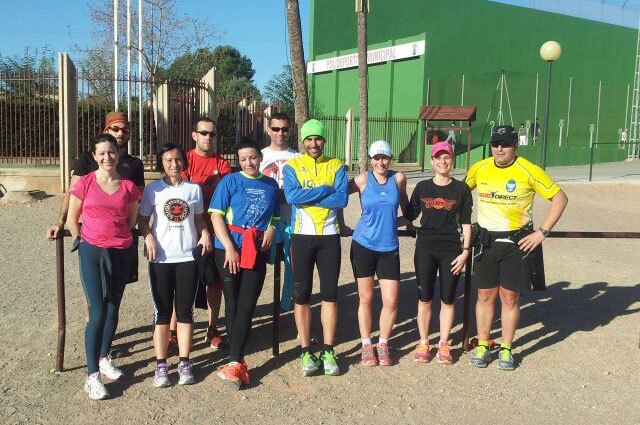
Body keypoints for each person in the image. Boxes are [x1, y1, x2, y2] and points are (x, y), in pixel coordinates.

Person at [465, 125, 568, 370]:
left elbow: (560, 198)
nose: (499, 148)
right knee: (484, 295)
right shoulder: (479, 168)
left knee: (510, 297)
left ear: (516, 145)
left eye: (506, 144)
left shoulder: (529, 170)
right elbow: (458, 194)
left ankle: (506, 349)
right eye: (495, 144)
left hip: (517, 243)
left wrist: (542, 232)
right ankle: (483, 345)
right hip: (486, 243)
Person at [46, 111, 145, 336]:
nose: (121, 133)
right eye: (115, 129)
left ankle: (107, 341)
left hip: (120, 240)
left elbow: (138, 202)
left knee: (114, 293)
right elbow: (72, 193)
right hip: (94, 238)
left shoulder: (134, 164)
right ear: (106, 130)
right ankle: (94, 330)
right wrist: (61, 222)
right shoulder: (88, 159)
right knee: (93, 293)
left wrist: (143, 231)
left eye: (125, 130)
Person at [66, 133, 141, 400]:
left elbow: (132, 220)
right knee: (97, 310)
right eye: (102, 153)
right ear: (94, 156)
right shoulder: (85, 182)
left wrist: (119, 239)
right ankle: (92, 376)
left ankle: (104, 357)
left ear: (118, 154)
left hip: (120, 251)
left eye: (111, 152)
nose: (107, 157)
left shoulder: (128, 186)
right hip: (92, 251)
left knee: (112, 308)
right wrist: (82, 241)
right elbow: (73, 217)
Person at [139, 143, 212, 388]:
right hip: (161, 259)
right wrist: (148, 237)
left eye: (178, 159)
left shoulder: (194, 189)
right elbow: (142, 220)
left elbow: (199, 219)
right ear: (162, 163)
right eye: (168, 159)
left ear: (184, 162)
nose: (174, 164)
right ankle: (161, 365)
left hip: (187, 259)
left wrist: (205, 234)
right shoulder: (153, 190)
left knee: (185, 312)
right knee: (161, 313)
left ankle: (184, 362)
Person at [210, 139, 279, 390]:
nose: (248, 163)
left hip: (255, 248)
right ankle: (235, 358)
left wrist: (271, 229)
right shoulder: (229, 181)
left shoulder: (271, 185)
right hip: (228, 248)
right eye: (242, 159)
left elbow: (276, 216)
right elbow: (216, 216)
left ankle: (234, 360)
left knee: (248, 304)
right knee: (233, 301)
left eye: (252, 157)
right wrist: (229, 247)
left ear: (260, 158)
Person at [284, 119, 348, 377]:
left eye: (318, 138)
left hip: (329, 237)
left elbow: (341, 199)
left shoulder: (336, 165)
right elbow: (291, 196)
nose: (313, 144)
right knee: (302, 295)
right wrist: (324, 190)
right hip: (301, 236)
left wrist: (308, 196)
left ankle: (329, 350)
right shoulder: (293, 165)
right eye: (309, 139)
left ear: (324, 140)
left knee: (330, 294)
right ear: (303, 141)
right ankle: (305, 350)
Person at [403, 141, 472, 365]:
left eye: (447, 157)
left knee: (448, 299)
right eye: (438, 157)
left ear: (452, 160)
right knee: (424, 298)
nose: (443, 161)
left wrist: (465, 251)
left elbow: (466, 222)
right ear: (432, 161)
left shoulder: (461, 189)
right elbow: (410, 215)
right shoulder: (422, 187)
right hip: (425, 248)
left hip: (451, 249)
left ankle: (443, 343)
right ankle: (424, 342)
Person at [346, 140, 408, 366]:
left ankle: (382, 344)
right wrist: (341, 224)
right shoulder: (362, 180)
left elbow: (406, 207)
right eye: (376, 158)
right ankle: (366, 345)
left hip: (389, 247)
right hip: (363, 245)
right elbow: (339, 197)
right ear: (370, 160)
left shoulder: (398, 179)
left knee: (391, 301)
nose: (381, 162)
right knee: (366, 298)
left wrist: (405, 221)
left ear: (390, 159)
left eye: (385, 158)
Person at [182, 116, 231, 350]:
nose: (208, 137)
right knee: (183, 283)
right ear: (194, 135)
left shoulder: (222, 164)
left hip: (214, 231)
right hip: (186, 232)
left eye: (212, 134)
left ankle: (212, 328)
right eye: (204, 133)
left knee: (215, 282)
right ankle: (176, 330)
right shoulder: (185, 161)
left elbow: (227, 197)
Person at [259, 112, 300, 311]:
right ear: (269, 130)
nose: (280, 133)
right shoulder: (260, 156)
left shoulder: (298, 157)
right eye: (275, 129)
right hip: (266, 223)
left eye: (284, 129)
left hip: (292, 220)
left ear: (289, 131)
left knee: (293, 267)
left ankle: (288, 305)